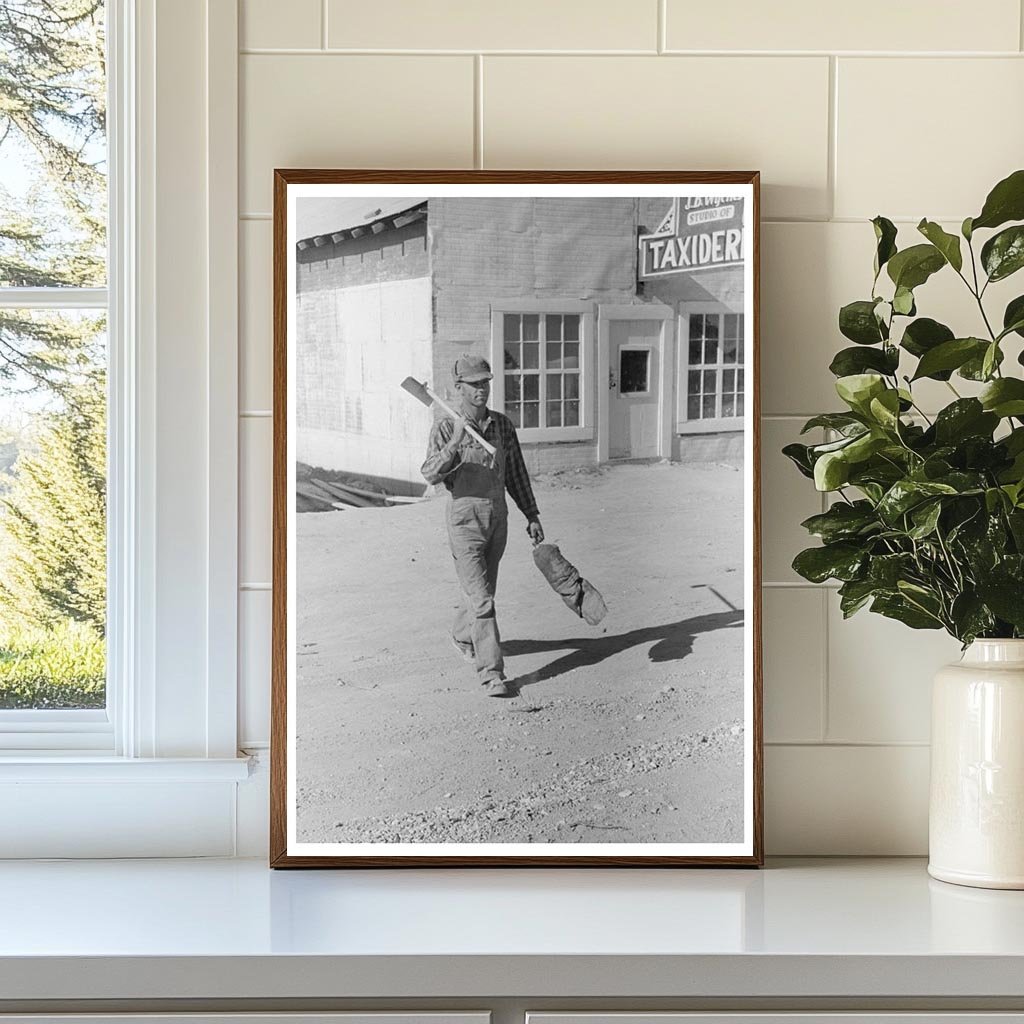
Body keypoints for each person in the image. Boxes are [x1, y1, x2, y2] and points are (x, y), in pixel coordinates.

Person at [421, 354, 544, 697]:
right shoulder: (446, 426)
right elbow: (430, 474)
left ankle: (462, 634)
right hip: (465, 521)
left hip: (498, 518)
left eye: (485, 383)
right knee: (484, 601)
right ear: (458, 388)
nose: (481, 390)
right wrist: (456, 441)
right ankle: (492, 673)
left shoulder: (503, 426)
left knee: (483, 592)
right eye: (474, 385)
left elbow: (517, 474)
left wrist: (531, 515)